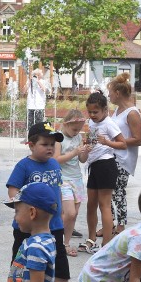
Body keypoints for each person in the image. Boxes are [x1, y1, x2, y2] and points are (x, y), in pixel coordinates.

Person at [6, 121, 87, 282]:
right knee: (20, 258)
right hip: (27, 225)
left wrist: (61, 211)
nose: (50, 148)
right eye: (45, 144)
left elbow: (57, 190)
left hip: (54, 224)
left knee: (58, 257)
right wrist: (21, 211)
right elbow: (13, 190)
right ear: (31, 145)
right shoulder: (24, 166)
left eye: (52, 144)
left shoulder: (54, 165)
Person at [4, 182, 57, 282]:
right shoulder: (41, 241)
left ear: (32, 213)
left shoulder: (36, 247)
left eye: (17, 211)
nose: (15, 217)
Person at [79, 92, 126, 253]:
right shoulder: (92, 124)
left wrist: (107, 142)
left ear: (105, 110)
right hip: (94, 165)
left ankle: (107, 243)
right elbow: (92, 143)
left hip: (106, 164)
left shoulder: (108, 123)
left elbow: (123, 144)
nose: (92, 115)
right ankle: (92, 238)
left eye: (95, 112)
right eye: (90, 112)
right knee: (90, 205)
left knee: (104, 205)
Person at [106, 73, 141, 236]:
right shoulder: (119, 110)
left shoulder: (132, 113)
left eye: (110, 92)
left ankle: (120, 224)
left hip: (123, 158)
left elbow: (138, 139)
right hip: (113, 155)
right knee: (109, 190)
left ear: (118, 93)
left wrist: (116, 142)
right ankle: (110, 223)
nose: (109, 96)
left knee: (118, 191)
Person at [54, 110, 87, 256]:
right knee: (69, 213)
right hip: (63, 180)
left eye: (79, 129)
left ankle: (65, 242)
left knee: (73, 215)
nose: (76, 132)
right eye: (74, 129)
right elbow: (55, 160)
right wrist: (73, 153)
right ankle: (57, 240)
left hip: (77, 179)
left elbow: (82, 160)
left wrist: (86, 151)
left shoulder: (78, 137)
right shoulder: (58, 138)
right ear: (65, 124)